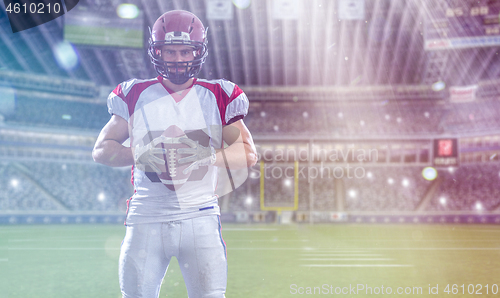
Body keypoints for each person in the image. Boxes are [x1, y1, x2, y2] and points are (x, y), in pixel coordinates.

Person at [92, 10, 258, 298]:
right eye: (170, 51)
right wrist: (140, 153)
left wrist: (205, 155)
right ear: (157, 51)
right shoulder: (133, 94)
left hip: (200, 214)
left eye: (185, 51)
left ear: (199, 51)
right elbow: (101, 150)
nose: (179, 59)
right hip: (146, 214)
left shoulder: (219, 94)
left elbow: (248, 153)